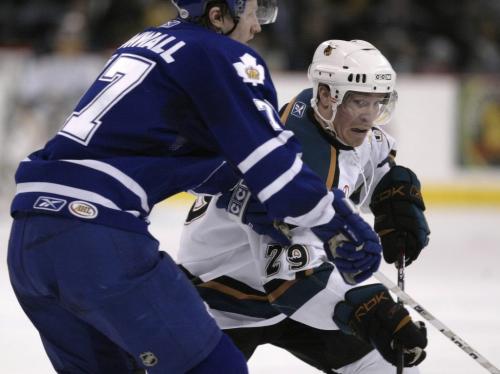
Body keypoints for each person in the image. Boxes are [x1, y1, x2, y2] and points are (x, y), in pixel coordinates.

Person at [6, 0, 384, 372]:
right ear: (219, 15)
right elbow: (272, 161)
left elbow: (170, 155)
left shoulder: (143, 42)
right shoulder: (222, 53)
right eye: (254, 12)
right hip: (95, 240)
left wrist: (249, 196)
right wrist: (337, 221)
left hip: (28, 241)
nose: (258, 26)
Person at [178, 39, 430, 373]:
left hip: (293, 294)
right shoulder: (286, 162)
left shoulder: (336, 124)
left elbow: (373, 166)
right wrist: (368, 311)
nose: (369, 116)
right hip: (224, 299)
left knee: (383, 364)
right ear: (326, 96)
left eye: (377, 102)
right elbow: (291, 281)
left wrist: (394, 199)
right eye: (358, 101)